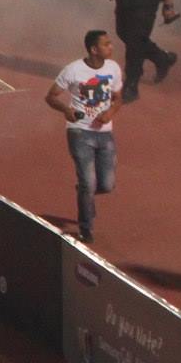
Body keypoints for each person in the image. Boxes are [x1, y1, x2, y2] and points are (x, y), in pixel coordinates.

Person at [44, 29, 122, 243]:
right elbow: (50, 97)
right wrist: (66, 110)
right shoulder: (73, 71)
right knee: (89, 182)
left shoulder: (113, 68)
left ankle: (84, 194)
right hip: (79, 132)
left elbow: (118, 97)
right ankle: (86, 227)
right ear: (94, 49)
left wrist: (110, 113)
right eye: (106, 44)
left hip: (105, 134)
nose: (111, 47)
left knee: (106, 184)